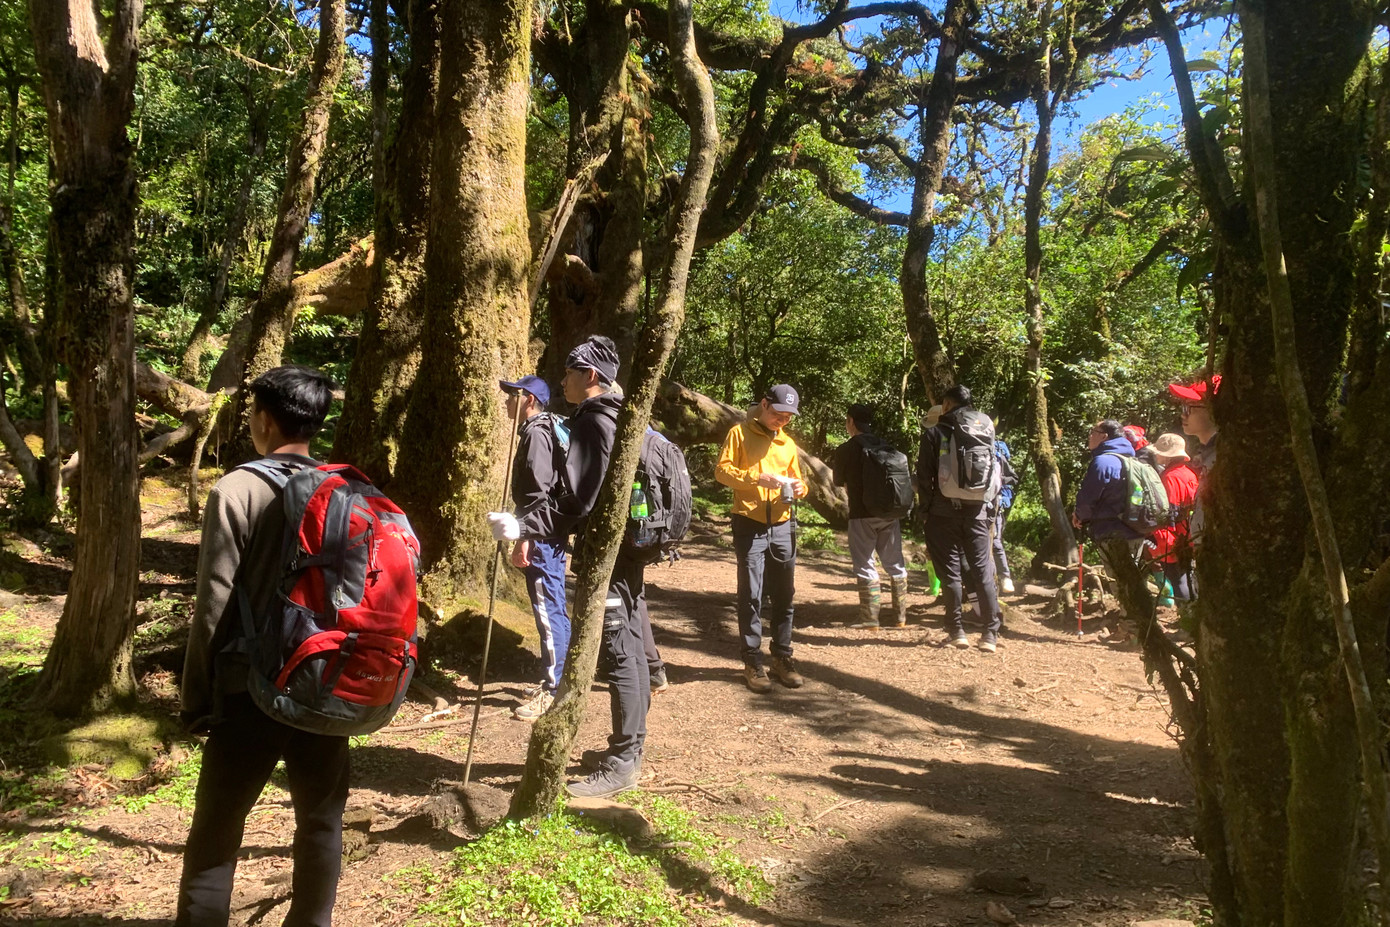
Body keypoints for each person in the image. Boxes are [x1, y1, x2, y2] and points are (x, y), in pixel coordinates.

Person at [177, 365, 346, 927]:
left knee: (217, 835)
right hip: (324, 683)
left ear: (264, 420)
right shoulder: (343, 489)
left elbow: (214, 604)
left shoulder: (236, 488)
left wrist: (197, 697)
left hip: (250, 686)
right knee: (320, 822)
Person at [489, 335, 648, 798]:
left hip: (613, 553)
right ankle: (626, 749)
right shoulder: (617, 416)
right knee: (630, 647)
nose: (563, 380)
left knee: (620, 652)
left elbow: (580, 499)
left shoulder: (595, 422)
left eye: (569, 372)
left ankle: (623, 761)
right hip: (625, 549)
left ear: (590, 377)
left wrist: (525, 527)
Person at [716, 384, 809, 692]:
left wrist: (799, 489)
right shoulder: (739, 434)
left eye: (788, 417)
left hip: (783, 525)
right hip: (749, 523)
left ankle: (782, 657)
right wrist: (756, 478)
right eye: (779, 414)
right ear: (765, 404)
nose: (782, 421)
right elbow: (722, 472)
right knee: (752, 594)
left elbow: (799, 480)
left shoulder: (788, 443)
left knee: (785, 594)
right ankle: (752, 660)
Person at [499, 374, 570, 722]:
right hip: (543, 533)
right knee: (550, 604)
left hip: (542, 536)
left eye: (512, 395)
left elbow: (539, 495)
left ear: (528, 398)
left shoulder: (538, 434)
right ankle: (555, 680)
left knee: (548, 609)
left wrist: (525, 536)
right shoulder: (538, 431)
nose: (507, 401)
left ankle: (555, 691)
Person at [917, 384, 1003, 652]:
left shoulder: (934, 433)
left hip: (943, 513)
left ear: (946, 405)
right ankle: (990, 634)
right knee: (982, 572)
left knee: (951, 575)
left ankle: (957, 631)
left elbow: (923, 477)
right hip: (978, 512)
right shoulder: (985, 431)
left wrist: (925, 512)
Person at [832, 403, 910, 629]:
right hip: (890, 514)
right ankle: (900, 618)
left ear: (850, 422)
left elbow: (840, 483)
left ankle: (870, 619)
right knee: (895, 564)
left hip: (861, 515)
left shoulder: (846, 449)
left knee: (865, 564)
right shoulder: (886, 447)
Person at [1148, 432, 1199, 603]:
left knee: (1179, 580)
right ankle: (1193, 618)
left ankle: (1186, 619)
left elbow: (1168, 512)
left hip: (1172, 538)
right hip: (1189, 535)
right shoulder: (1189, 474)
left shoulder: (1169, 477)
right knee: (1189, 578)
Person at [1169, 374, 1220, 542]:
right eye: (1183, 408)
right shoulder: (1208, 454)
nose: (1183, 415)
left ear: (1213, 409)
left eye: (1189, 408)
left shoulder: (1223, 457)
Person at [991, 433, 1019, 595]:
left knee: (995, 542)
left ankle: (1004, 577)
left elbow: (1012, 478)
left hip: (995, 504)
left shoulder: (997, 453)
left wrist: (998, 480)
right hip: (977, 505)